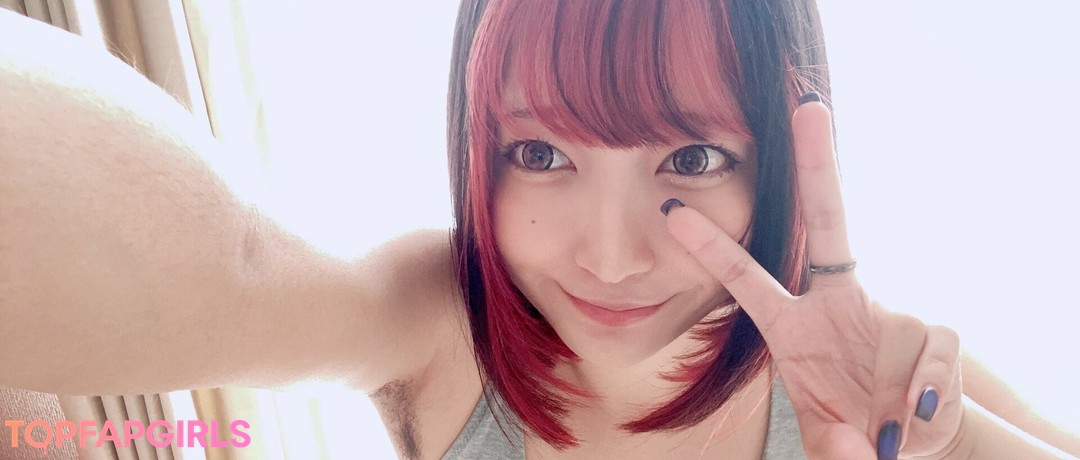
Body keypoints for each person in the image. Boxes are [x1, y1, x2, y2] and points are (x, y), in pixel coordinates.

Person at [0, 1, 1076, 459]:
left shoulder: (876, 375)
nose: (610, 255)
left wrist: (953, 446)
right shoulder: (439, 323)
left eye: (692, 160)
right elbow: (228, 266)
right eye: (541, 153)